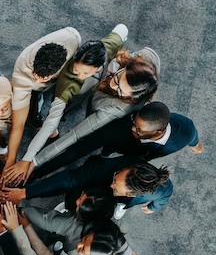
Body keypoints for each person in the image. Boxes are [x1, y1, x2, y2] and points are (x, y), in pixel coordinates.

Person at [1, 24, 129, 186]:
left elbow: (122, 29)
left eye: (85, 73)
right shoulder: (67, 82)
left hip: (97, 83)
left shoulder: (82, 41)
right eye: (76, 71)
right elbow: (49, 122)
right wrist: (25, 159)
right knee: (61, 107)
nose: (80, 75)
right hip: (70, 92)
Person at [27, 47, 161, 178]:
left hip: (105, 119)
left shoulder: (119, 109)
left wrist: (34, 161)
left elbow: (75, 135)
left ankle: (36, 174)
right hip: (98, 93)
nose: (113, 85)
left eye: (120, 89)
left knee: (78, 147)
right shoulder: (147, 55)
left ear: (131, 96)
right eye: (118, 78)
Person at [2, 27, 82, 186]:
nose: (37, 81)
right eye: (35, 75)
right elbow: (18, 125)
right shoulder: (22, 74)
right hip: (23, 84)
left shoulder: (73, 43)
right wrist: (10, 162)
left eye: (44, 78)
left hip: (61, 77)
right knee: (26, 109)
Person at [32, 102, 203, 177]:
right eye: (134, 122)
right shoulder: (121, 127)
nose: (132, 128)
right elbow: (76, 151)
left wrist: (196, 146)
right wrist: (35, 171)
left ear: (158, 132)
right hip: (117, 141)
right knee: (102, 148)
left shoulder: (185, 130)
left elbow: (193, 137)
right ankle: (108, 150)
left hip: (140, 155)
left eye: (138, 129)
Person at [3, 155, 173, 216]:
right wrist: (26, 192)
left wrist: (152, 208)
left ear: (130, 194)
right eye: (116, 177)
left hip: (122, 201)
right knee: (74, 195)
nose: (111, 182)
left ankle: (121, 206)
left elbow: (165, 196)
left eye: (115, 186)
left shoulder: (162, 189)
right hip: (95, 179)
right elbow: (68, 178)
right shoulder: (107, 170)